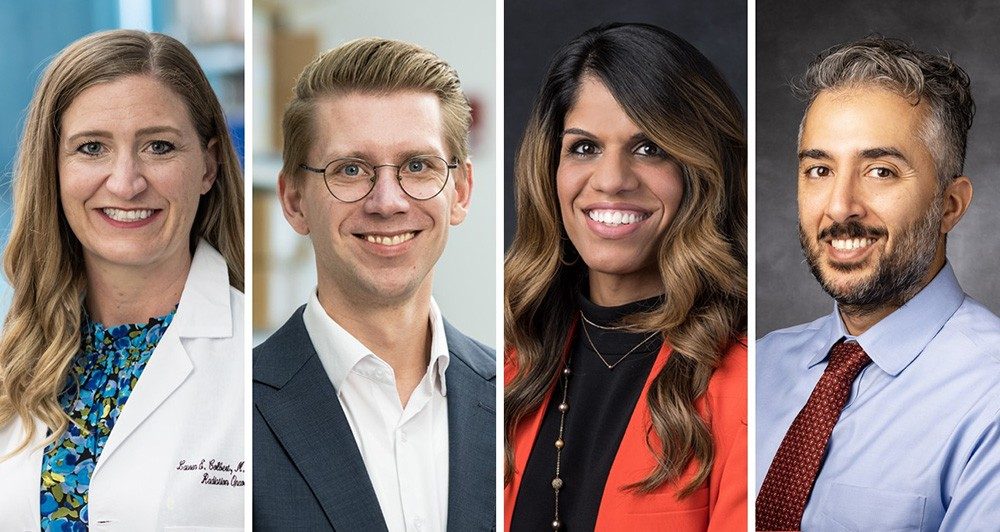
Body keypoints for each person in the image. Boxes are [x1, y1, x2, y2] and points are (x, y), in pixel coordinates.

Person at [503, 23, 747, 531]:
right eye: (584, 147)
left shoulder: (743, 380)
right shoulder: (507, 359)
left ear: (700, 171)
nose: (612, 180)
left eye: (649, 148)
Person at [0, 30, 245, 530]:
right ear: (54, 167)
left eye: (159, 146)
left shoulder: (258, 361)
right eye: (91, 148)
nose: (126, 182)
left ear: (208, 165)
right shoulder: (14, 354)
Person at [755, 36, 1000, 531]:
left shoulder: (990, 397)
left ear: (950, 206)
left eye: (881, 171)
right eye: (819, 170)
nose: (840, 206)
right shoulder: (757, 366)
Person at [253, 37, 496, 531]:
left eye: (417, 166)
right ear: (294, 200)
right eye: (350, 169)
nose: (387, 201)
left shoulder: (520, 397)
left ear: (461, 191)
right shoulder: (235, 405)